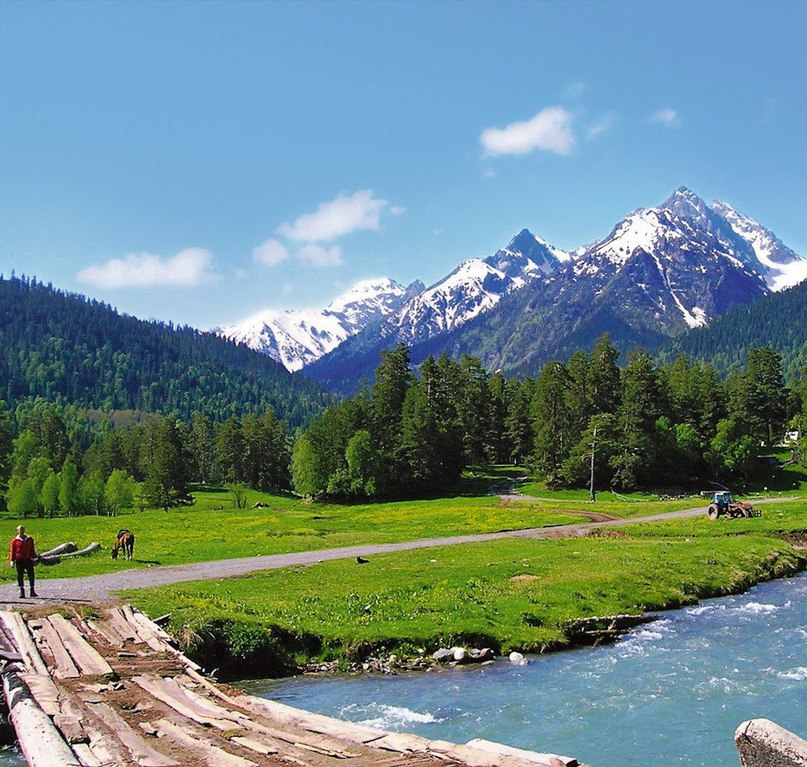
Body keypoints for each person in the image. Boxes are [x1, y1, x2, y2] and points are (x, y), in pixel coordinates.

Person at [9, 525, 37, 599]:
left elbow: (32, 549)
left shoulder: (29, 539)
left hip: (28, 559)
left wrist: (34, 557)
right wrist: (12, 560)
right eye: (20, 529)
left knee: (31, 574)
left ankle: (32, 590)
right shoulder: (15, 540)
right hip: (19, 560)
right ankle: (21, 590)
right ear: (17, 531)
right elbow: (13, 551)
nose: (21, 531)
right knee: (20, 575)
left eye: (22, 529)